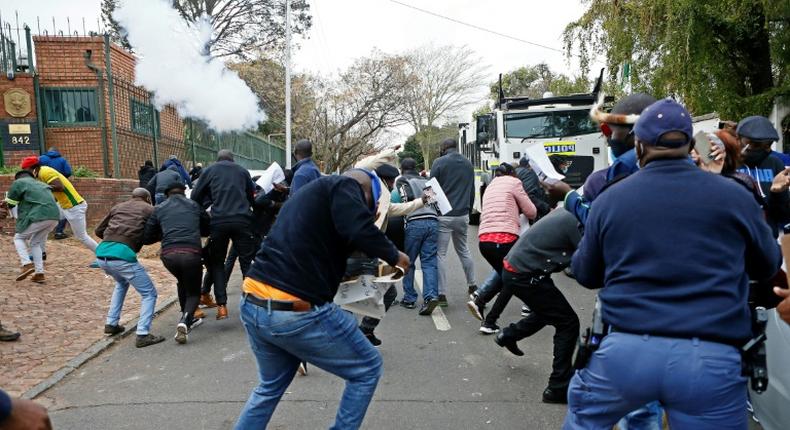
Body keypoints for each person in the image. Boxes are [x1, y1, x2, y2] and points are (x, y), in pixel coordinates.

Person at [564, 99, 781, 429]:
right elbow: (767, 265)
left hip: (624, 355)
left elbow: (585, 273)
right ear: (689, 144)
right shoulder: (736, 196)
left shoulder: (610, 199)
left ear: (639, 145)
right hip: (710, 358)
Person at [235, 170, 409, 429]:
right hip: (295, 311)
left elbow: (335, 247)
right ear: (365, 190)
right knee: (367, 369)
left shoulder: (307, 200)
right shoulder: (345, 184)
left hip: (253, 303)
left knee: (269, 387)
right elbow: (359, 229)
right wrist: (396, 256)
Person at [493, 209, 582, 403]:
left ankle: (509, 335)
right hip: (524, 273)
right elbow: (587, 263)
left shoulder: (567, 213)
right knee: (568, 322)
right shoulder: (575, 223)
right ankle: (557, 387)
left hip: (518, 269)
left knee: (550, 311)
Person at [353, 148, 424, 347]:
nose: (394, 186)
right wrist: (388, 153)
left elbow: (395, 209)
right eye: (393, 182)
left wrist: (422, 201)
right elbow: (363, 166)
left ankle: (363, 332)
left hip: (365, 251)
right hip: (359, 251)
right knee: (359, 295)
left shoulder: (380, 195)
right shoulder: (370, 188)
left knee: (374, 293)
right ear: (387, 180)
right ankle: (356, 334)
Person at [467, 162, 536, 334]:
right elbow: (531, 212)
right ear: (513, 174)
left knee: (505, 275)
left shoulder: (490, 186)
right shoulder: (514, 183)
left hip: (484, 240)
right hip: (504, 239)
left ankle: (480, 301)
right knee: (512, 279)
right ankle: (490, 321)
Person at [191, 149, 257, 320]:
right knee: (246, 261)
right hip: (242, 220)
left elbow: (195, 195)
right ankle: (252, 304)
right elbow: (251, 196)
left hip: (219, 221)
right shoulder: (242, 171)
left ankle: (222, 306)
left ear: (218, 159)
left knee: (218, 263)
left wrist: (209, 206)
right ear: (232, 159)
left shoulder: (209, 171)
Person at [94, 188, 165, 348]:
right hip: (122, 256)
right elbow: (155, 233)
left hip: (102, 254)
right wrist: (130, 242)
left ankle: (111, 324)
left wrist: (112, 239)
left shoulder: (118, 207)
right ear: (148, 198)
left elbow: (98, 230)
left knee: (121, 283)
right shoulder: (150, 209)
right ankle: (142, 334)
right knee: (149, 294)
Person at [143, 181, 210, 344]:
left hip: (169, 255)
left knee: (182, 282)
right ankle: (186, 320)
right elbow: (208, 227)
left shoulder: (159, 208)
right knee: (193, 292)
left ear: (167, 194)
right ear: (183, 191)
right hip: (191, 253)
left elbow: (147, 236)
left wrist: (165, 233)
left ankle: (185, 314)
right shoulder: (194, 205)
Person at [431, 138, 477, 304]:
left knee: (440, 254)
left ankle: (442, 294)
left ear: (443, 147)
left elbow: (431, 188)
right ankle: (473, 286)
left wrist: (432, 209)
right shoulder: (468, 163)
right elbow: (472, 189)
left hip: (444, 215)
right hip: (462, 214)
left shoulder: (439, 162)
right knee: (463, 250)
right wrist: (469, 210)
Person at [21, 156, 98, 252]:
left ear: (33, 167)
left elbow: (59, 187)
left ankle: (103, 256)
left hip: (74, 206)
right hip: (63, 205)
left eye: (26, 170)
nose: (25, 173)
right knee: (44, 223)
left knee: (81, 236)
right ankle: (41, 252)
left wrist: (40, 188)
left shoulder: (45, 172)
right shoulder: (39, 174)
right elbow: (52, 192)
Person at [396, 158, 440, 315]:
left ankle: (409, 298)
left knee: (408, 262)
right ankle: (431, 297)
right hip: (433, 222)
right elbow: (433, 201)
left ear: (401, 169)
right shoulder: (426, 180)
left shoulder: (402, 180)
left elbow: (406, 199)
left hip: (415, 223)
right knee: (429, 262)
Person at [735, 115, 790, 236]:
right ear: (738, 140)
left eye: (767, 145)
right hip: (736, 243)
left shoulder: (775, 163)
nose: (761, 149)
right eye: (754, 144)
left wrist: (777, 193)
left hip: (768, 243)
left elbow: (783, 216)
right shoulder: (728, 165)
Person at [3, 170, 60, 283]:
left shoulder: (19, 182)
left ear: (17, 178)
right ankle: (39, 273)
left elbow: (10, 203)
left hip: (40, 215)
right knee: (35, 242)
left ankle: (26, 264)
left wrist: (5, 204)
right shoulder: (41, 184)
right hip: (54, 216)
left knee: (19, 238)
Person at [38, 147, 73, 240]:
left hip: (44, 188)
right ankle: (59, 231)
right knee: (63, 208)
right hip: (58, 188)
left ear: (48, 151)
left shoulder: (41, 158)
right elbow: (68, 172)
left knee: (44, 208)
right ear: (57, 152)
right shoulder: (62, 160)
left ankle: (42, 231)